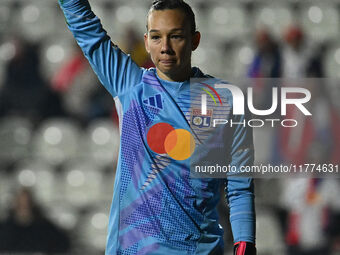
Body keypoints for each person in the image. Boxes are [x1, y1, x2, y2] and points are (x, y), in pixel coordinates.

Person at [58, 0, 256, 254]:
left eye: (175, 37)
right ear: (146, 41)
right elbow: (87, 29)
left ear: (194, 40)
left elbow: (239, 186)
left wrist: (245, 242)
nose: (165, 48)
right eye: (156, 37)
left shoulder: (226, 101)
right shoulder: (130, 86)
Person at [0, 187, 71, 253]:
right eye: (20, 204)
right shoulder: (5, 227)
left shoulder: (44, 227)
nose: (23, 207)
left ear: (32, 204)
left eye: (26, 203)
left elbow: (63, 244)